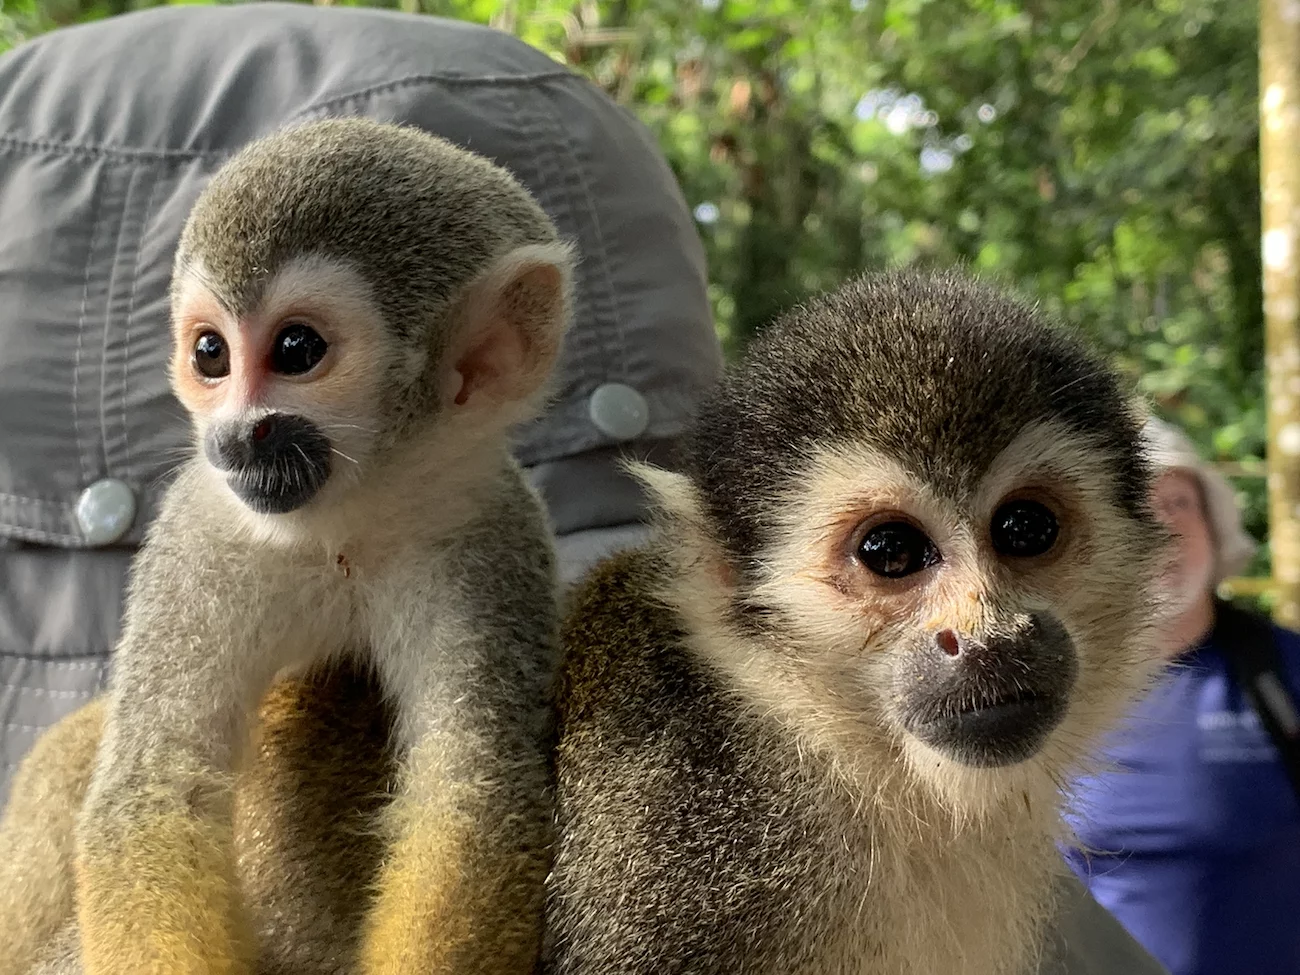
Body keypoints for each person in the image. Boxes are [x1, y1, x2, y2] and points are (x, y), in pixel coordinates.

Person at [0, 5, 1168, 973]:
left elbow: (477, 819)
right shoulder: (738, 784)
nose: (980, 618)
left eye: (1028, 530)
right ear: (721, 578)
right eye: (889, 554)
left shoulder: (498, 555)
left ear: (484, 359)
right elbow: (153, 804)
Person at [1064, 415, 1300, 975]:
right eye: (1136, 508)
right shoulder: (1046, 690)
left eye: (1179, 503)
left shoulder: (1283, 673)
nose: (1163, 528)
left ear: (1215, 526)